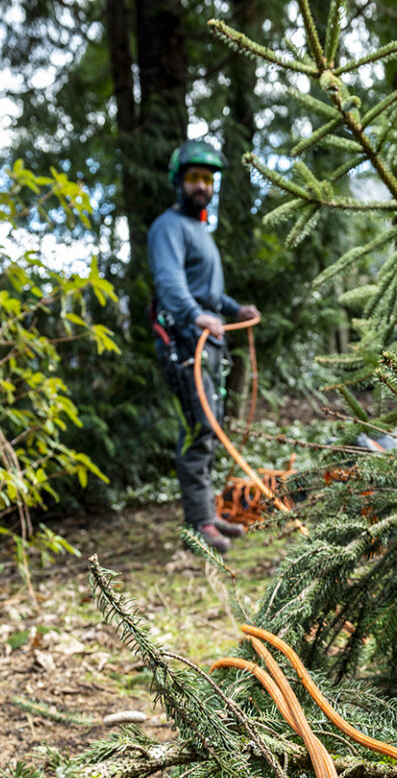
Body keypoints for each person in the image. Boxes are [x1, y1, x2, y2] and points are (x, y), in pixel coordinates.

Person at [148, 139, 260, 554]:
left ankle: (207, 514)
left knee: (210, 427)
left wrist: (234, 307)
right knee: (197, 428)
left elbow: (208, 292)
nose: (202, 185)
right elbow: (171, 284)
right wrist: (195, 317)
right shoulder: (168, 227)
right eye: (194, 178)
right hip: (182, 343)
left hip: (207, 342)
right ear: (179, 181)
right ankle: (197, 525)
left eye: (208, 179)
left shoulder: (201, 230)